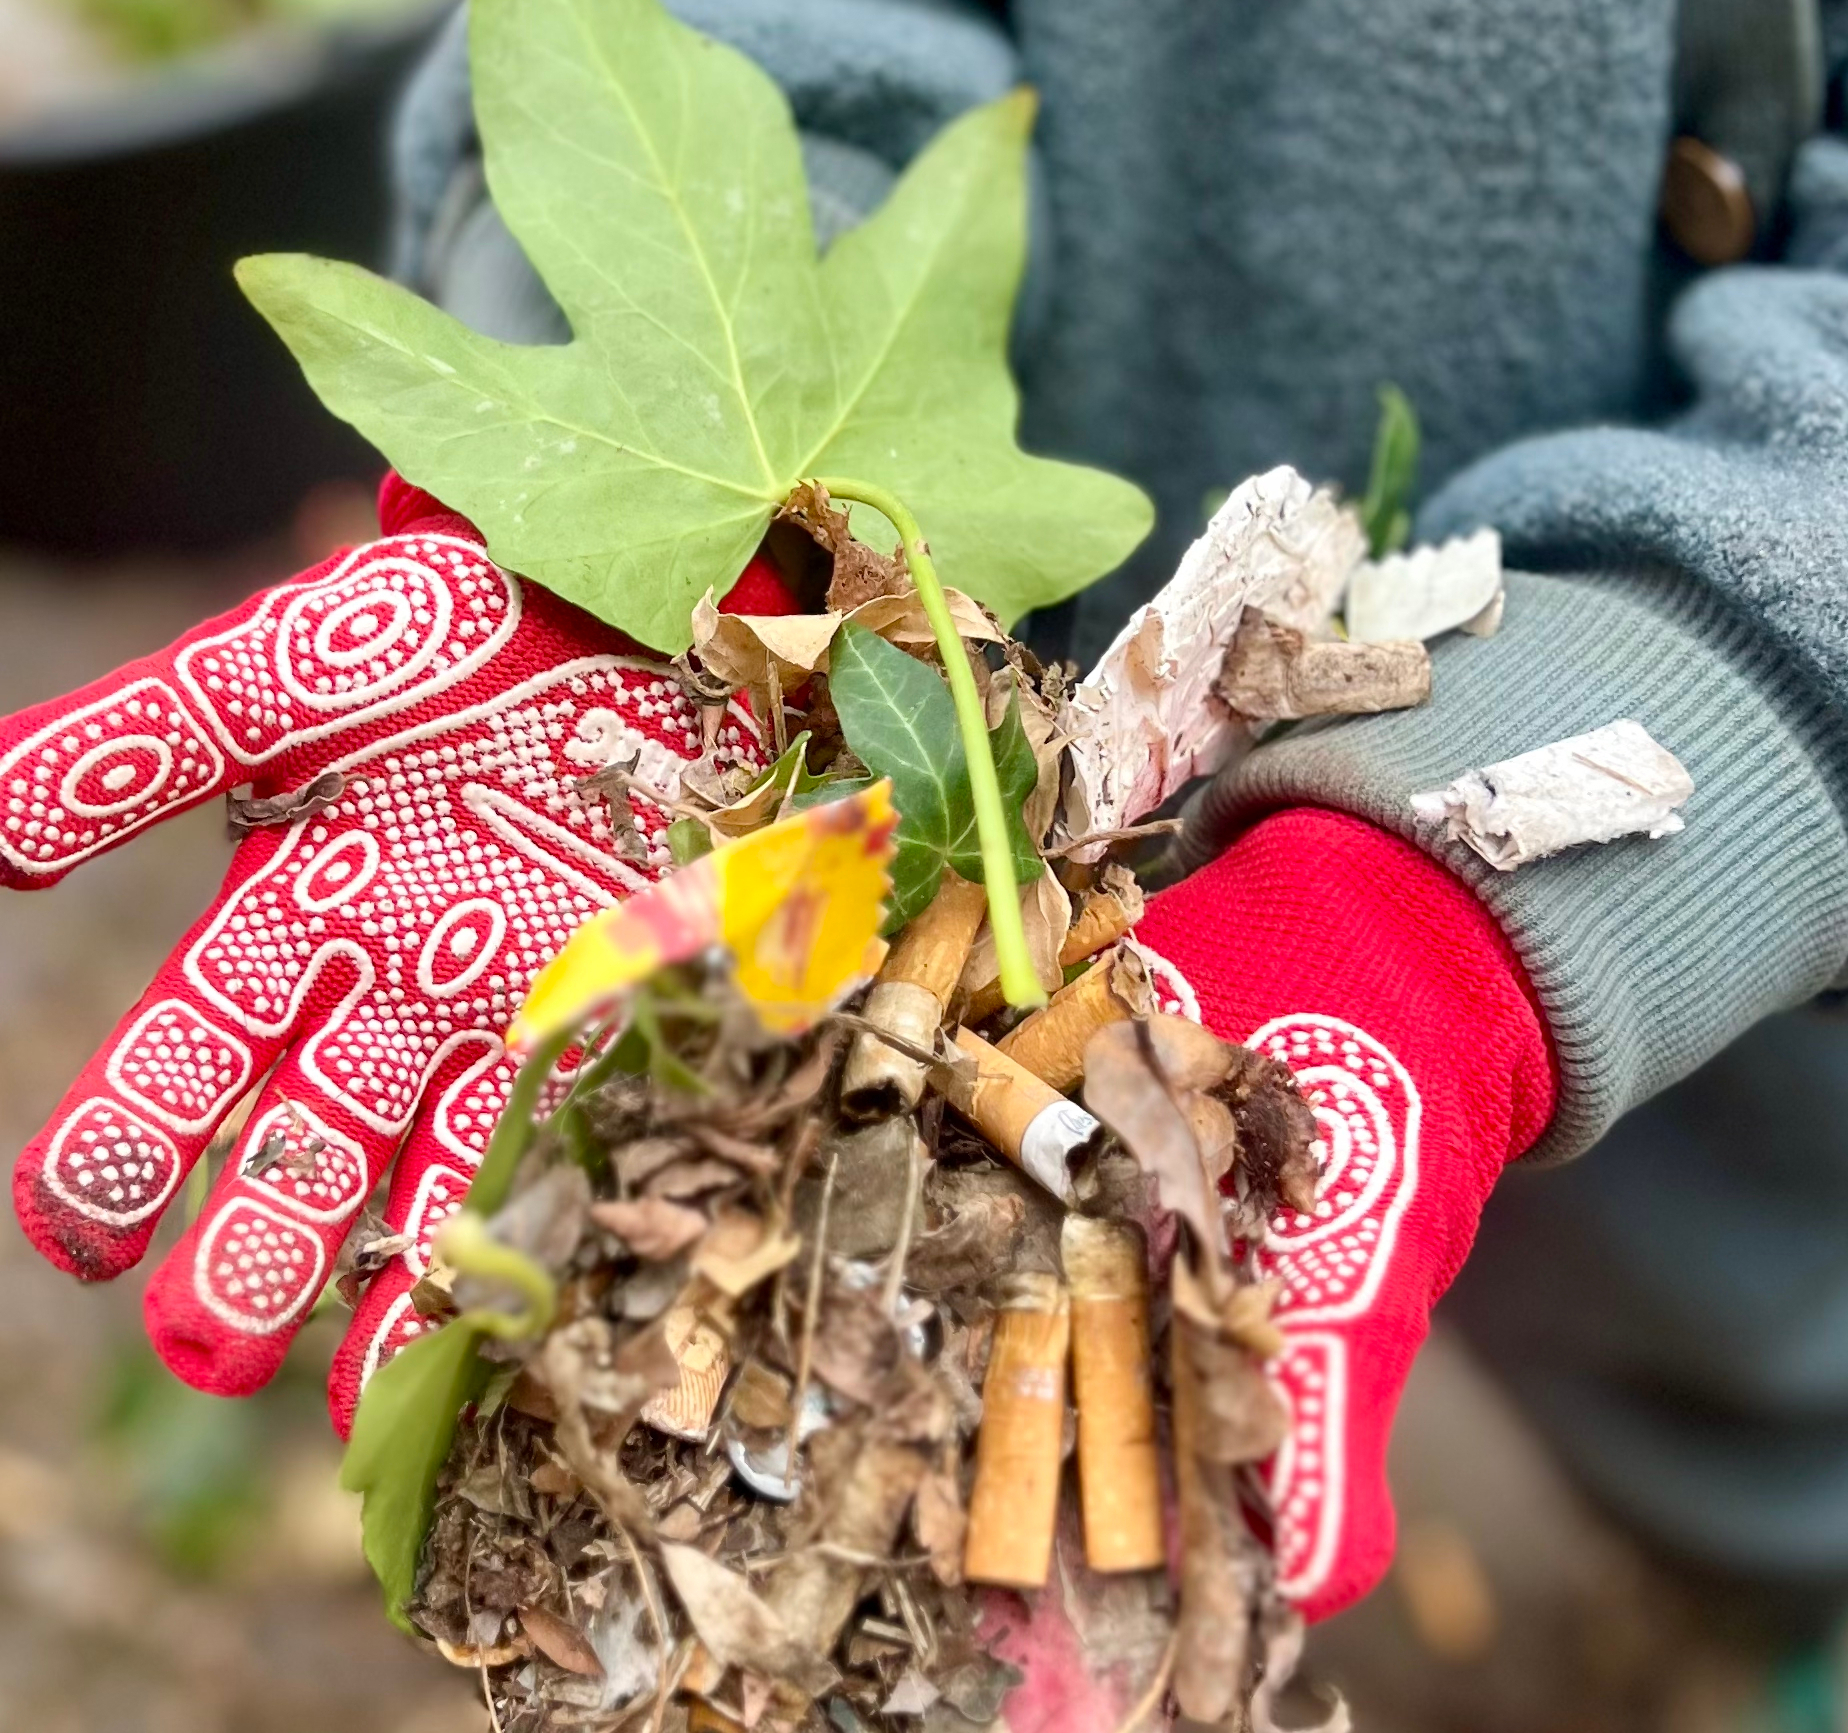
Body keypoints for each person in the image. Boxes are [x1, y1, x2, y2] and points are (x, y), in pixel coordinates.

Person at [7, 0, 1848, 1722]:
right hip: (1023, 711)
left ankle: (1783, 1577)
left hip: (1741, 961)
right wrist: (695, 573)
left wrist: (1460, 902)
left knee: (1763, 1376)